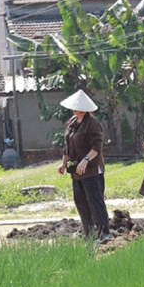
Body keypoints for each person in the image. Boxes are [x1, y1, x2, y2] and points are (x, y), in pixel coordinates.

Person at [57, 90, 111, 244]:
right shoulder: (72, 122)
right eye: (74, 108)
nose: (75, 111)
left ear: (85, 109)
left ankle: (104, 233)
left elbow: (97, 147)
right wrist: (63, 163)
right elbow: (67, 146)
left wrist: (85, 160)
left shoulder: (92, 124)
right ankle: (89, 233)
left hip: (91, 169)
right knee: (80, 201)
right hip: (76, 170)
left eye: (78, 108)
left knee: (95, 200)